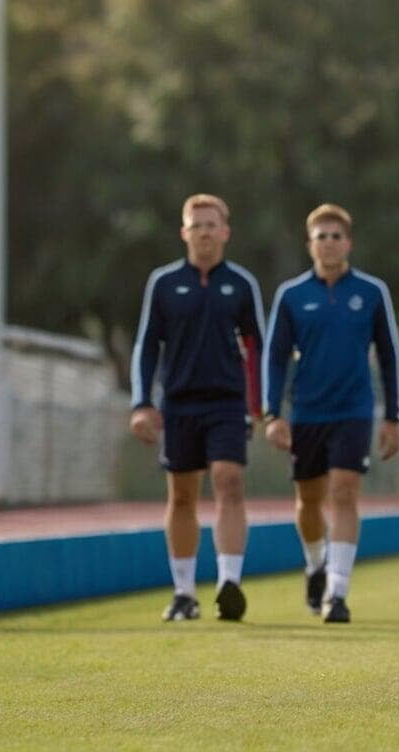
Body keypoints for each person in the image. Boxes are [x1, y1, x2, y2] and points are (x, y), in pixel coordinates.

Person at [262, 203, 399, 624]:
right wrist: (273, 414)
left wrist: (393, 416)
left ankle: (337, 592)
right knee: (308, 499)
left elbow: (390, 355)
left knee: (344, 492)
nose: (328, 242)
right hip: (306, 413)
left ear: (349, 243)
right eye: (320, 236)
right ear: (310, 244)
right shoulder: (291, 295)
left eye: (336, 236)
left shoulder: (372, 291)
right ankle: (315, 564)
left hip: (355, 411)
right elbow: (275, 359)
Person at [130, 193, 264, 622]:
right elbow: (147, 346)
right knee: (182, 493)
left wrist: (260, 403)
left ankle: (229, 582)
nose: (204, 232)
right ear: (184, 232)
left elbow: (256, 347)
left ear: (225, 232)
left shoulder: (241, 285)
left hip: (227, 401)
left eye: (212, 225)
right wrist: (142, 403)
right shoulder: (164, 284)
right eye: (197, 225)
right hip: (179, 402)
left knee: (228, 480)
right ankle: (184, 592)